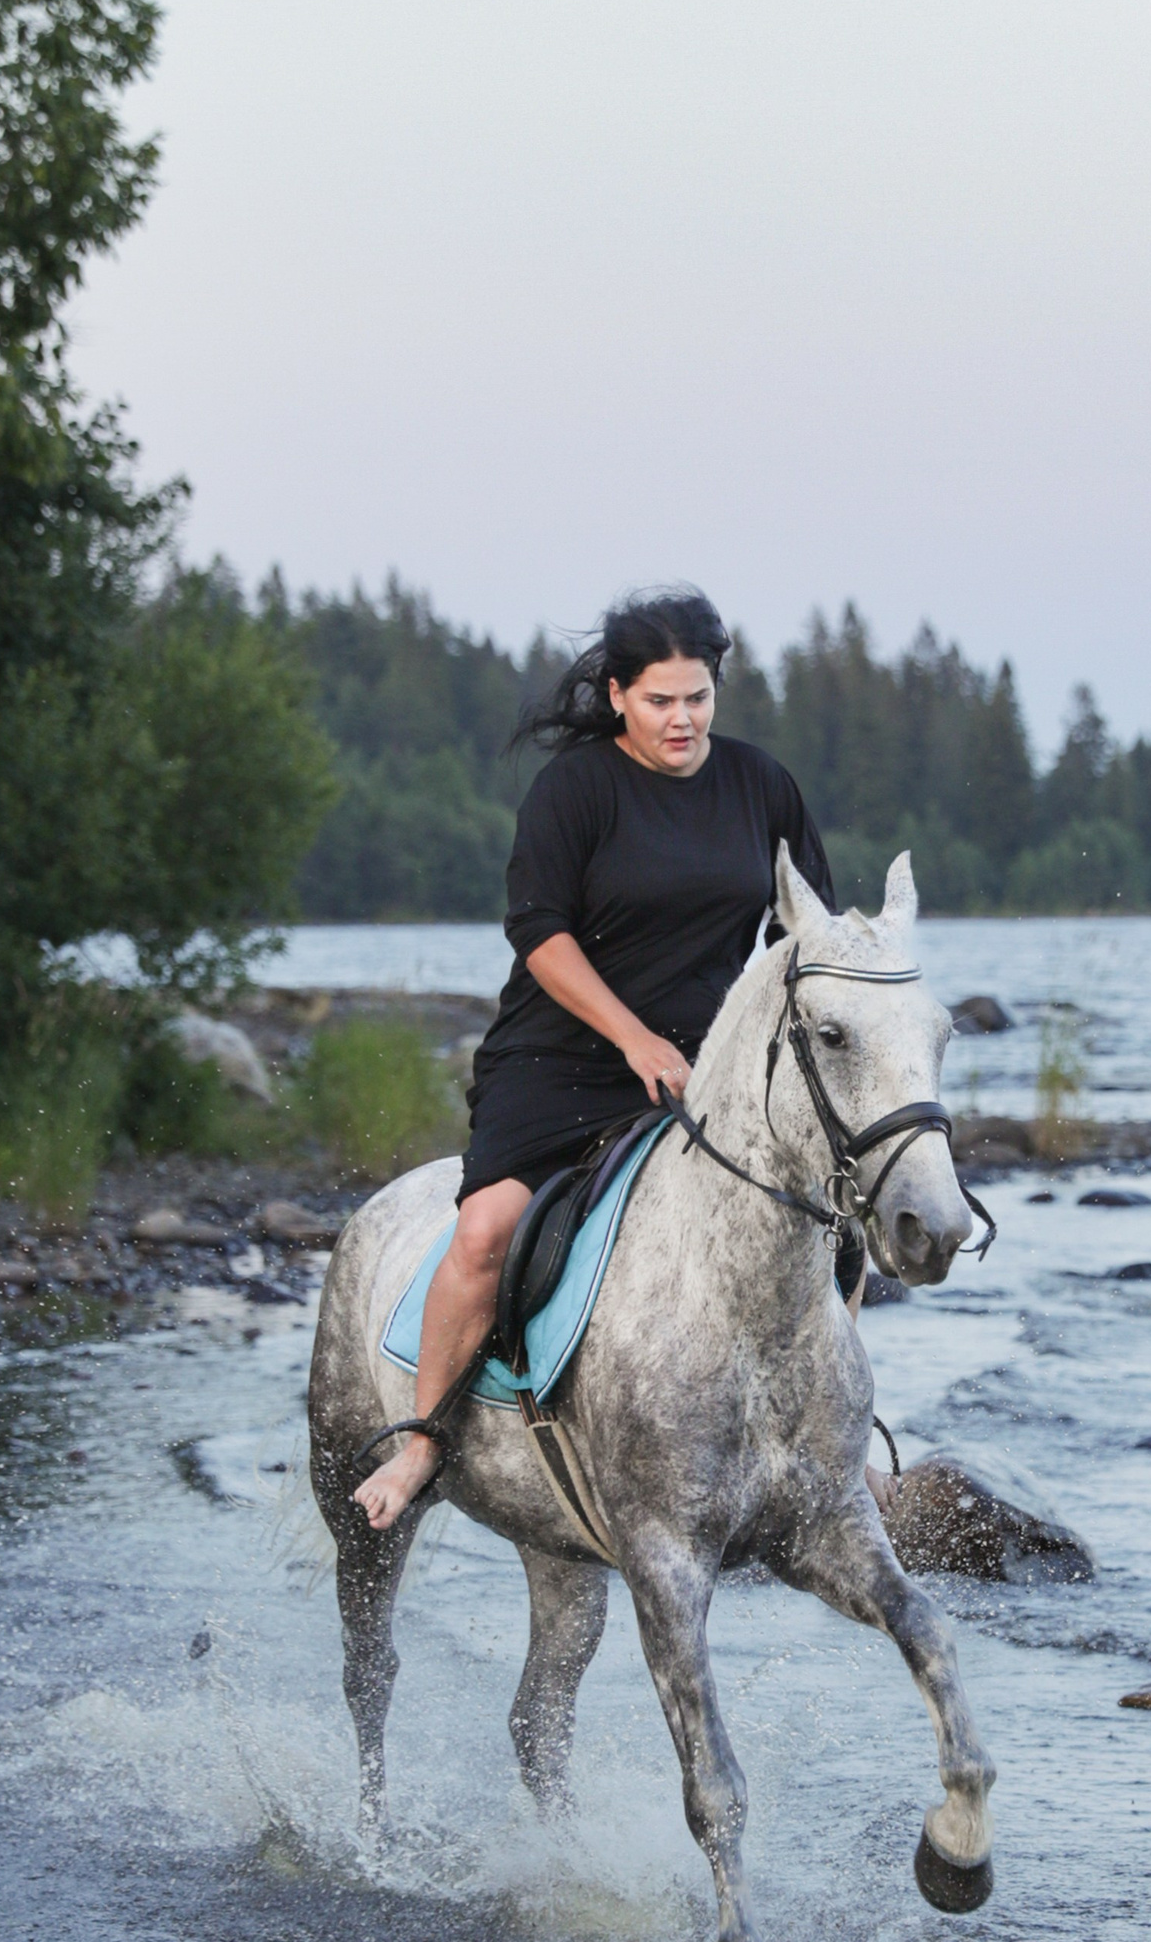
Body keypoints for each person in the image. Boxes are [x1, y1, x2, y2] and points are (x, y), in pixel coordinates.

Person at [354, 586, 835, 1530]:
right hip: (560, 1058)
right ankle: (421, 1443)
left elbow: (805, 932)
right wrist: (633, 1038)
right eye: (661, 701)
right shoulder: (575, 790)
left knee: (832, 1218)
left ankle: (829, 1442)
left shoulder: (760, 785)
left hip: (705, 1070)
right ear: (618, 695)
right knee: (489, 1230)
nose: (683, 719)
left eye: (697, 697)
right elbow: (539, 934)